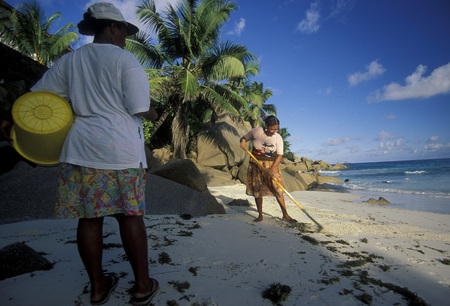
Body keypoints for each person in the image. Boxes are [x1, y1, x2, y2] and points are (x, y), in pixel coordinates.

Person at [4, 3, 159, 305]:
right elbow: (139, 106)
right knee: (130, 216)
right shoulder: (125, 60)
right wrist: (154, 113)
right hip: (121, 151)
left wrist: (10, 118)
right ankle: (142, 286)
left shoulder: (70, 62)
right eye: (124, 30)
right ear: (113, 27)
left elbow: (38, 99)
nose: (125, 37)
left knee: (89, 219)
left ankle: (99, 286)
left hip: (83, 149)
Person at [240, 115, 297, 223]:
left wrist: (272, 169)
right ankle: (260, 215)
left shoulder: (277, 137)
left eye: (276, 129)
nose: (274, 131)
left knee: (277, 189)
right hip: (256, 164)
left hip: (272, 164)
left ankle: (285, 215)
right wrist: (243, 141)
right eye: (272, 129)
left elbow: (279, 155)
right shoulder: (256, 131)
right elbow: (244, 138)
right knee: (257, 190)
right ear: (266, 126)